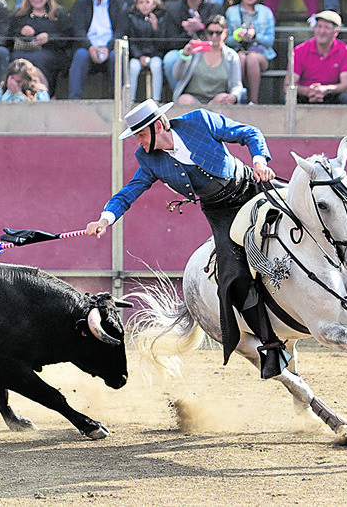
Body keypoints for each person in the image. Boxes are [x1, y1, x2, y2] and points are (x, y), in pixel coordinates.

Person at [85, 99, 288, 379]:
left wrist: (259, 161)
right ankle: (272, 346)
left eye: (142, 135)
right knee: (233, 276)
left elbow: (249, 133)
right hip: (221, 212)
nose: (140, 142)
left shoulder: (199, 121)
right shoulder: (148, 159)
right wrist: (104, 219)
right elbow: (128, 193)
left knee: (315, 203)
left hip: (250, 185)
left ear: (158, 126)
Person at [68, 0, 128, 100]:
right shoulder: (81, 3)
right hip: (88, 47)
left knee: (116, 56)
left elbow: (121, 31)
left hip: (111, 48)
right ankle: (74, 101)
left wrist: (108, 48)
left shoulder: (120, 5)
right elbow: (78, 30)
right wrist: (90, 47)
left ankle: (119, 102)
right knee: (80, 55)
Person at [161, 0, 221, 92]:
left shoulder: (215, 7)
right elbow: (170, 42)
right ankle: (179, 95)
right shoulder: (174, 10)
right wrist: (188, 33)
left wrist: (201, 28)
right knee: (169, 59)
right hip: (184, 50)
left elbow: (220, 37)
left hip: (208, 50)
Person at [9, 0, 67, 94]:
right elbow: (9, 36)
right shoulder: (20, 14)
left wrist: (49, 38)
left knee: (41, 60)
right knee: (18, 61)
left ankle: (45, 94)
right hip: (24, 51)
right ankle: (18, 93)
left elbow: (66, 37)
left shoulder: (57, 14)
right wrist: (22, 32)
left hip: (50, 53)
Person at [224, 0, 275, 103]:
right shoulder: (231, 11)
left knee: (251, 58)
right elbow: (225, 40)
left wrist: (256, 36)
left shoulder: (266, 12)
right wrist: (237, 37)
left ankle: (254, 101)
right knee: (240, 58)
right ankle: (238, 97)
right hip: (238, 50)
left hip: (261, 54)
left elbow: (270, 41)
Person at [172, 14, 242, 105]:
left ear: (225, 33)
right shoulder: (196, 50)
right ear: (206, 33)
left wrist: (234, 96)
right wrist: (185, 56)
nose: (214, 36)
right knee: (184, 99)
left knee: (222, 99)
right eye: (210, 32)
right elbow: (177, 76)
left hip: (217, 102)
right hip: (193, 100)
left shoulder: (232, 56)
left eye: (218, 33)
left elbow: (236, 85)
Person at [292, 10, 347, 104]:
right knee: (287, 98)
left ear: (336, 32)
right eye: (319, 26)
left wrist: (326, 90)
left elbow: (346, 85)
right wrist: (309, 91)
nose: (322, 31)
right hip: (306, 95)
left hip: (331, 94)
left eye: (327, 28)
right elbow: (288, 85)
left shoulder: (346, 51)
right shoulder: (299, 50)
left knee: (345, 99)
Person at [127, 0, 166, 103]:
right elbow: (131, 40)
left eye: (148, 2)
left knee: (156, 66)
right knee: (133, 67)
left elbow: (162, 43)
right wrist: (139, 56)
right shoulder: (131, 18)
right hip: (137, 56)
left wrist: (155, 28)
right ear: (137, 5)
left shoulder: (161, 19)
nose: (144, 5)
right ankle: (130, 99)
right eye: (141, 2)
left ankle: (156, 99)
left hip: (155, 55)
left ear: (154, 4)